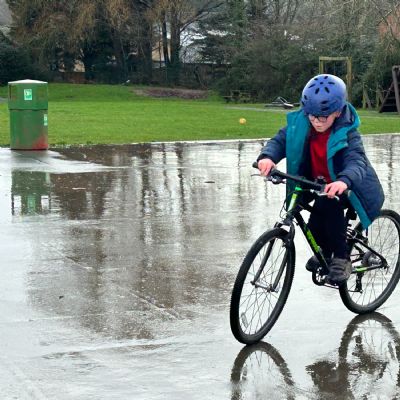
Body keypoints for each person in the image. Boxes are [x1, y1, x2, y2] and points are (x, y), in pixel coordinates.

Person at [257, 74, 384, 285]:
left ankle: (341, 258)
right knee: (314, 226)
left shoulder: (348, 133)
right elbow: (280, 140)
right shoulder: (302, 125)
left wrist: (343, 181)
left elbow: (356, 162)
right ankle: (324, 252)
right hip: (317, 183)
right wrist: (268, 157)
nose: (316, 121)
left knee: (330, 209)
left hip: (348, 186)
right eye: (312, 116)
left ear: (337, 112)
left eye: (322, 117)